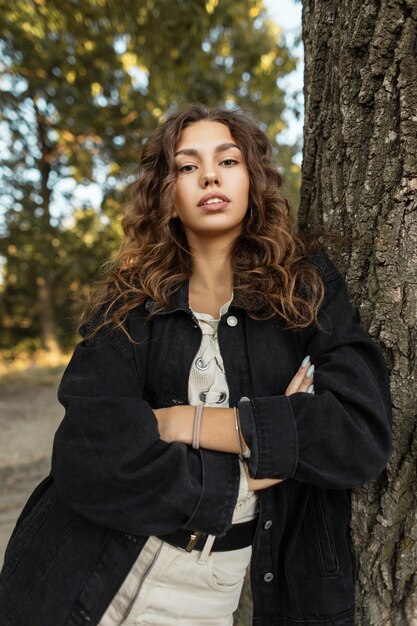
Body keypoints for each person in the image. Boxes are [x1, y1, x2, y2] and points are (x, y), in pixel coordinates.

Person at [0, 104, 392, 626]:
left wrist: (179, 421)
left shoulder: (307, 287)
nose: (209, 174)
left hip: (208, 594)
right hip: (72, 576)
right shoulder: (127, 304)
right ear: (168, 192)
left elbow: (358, 434)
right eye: (187, 166)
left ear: (252, 178)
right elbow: (88, 455)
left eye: (227, 160)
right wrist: (257, 459)